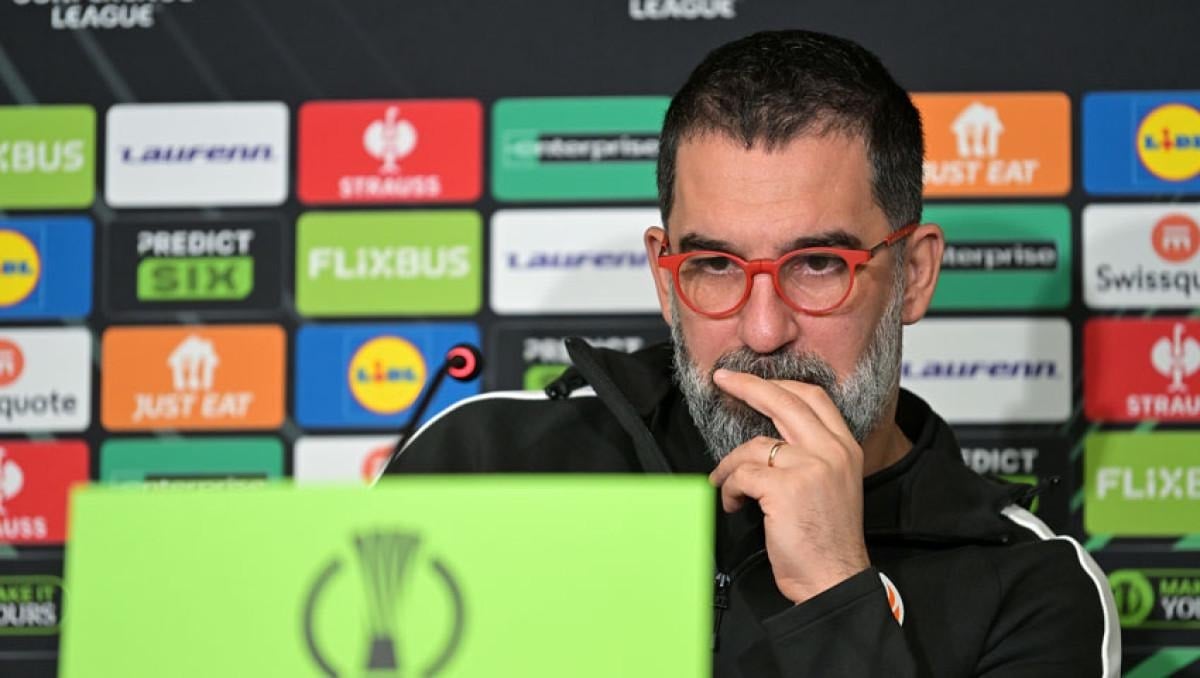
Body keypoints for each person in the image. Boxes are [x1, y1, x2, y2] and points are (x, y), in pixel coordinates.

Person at [383, 29, 1118, 677]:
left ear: (915, 275)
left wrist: (838, 593)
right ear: (665, 279)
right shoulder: (486, 462)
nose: (764, 332)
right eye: (715, 265)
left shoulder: (1032, 589)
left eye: (819, 264)